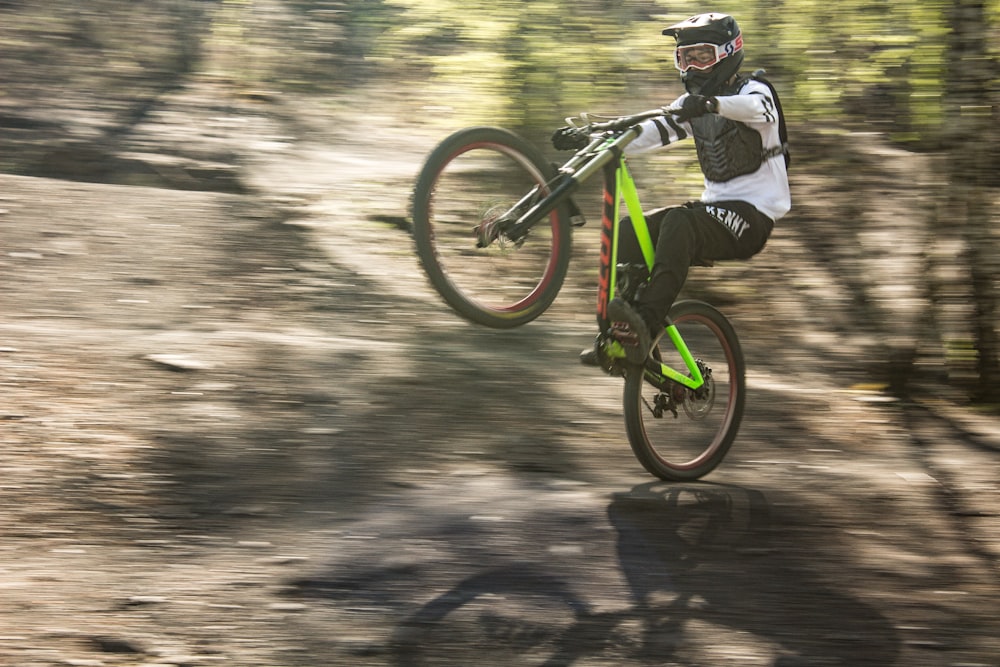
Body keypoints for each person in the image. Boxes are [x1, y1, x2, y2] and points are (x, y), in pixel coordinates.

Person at [554, 13, 791, 366]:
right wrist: (593, 138)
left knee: (679, 222)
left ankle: (646, 323)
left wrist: (712, 104)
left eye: (703, 56)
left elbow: (756, 110)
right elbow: (646, 134)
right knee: (626, 232)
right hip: (712, 211)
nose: (693, 67)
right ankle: (626, 332)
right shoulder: (691, 107)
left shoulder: (755, 92)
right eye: (685, 58)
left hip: (752, 217)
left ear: (729, 53)